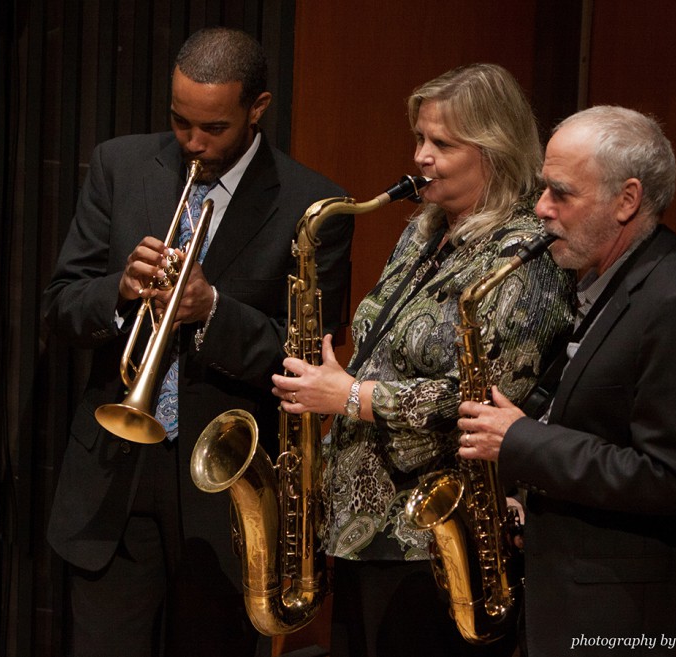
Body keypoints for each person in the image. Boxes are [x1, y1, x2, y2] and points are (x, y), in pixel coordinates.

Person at [42, 27, 353, 657]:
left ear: (257, 109)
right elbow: (61, 305)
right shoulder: (120, 165)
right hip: (114, 470)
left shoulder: (313, 204)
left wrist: (211, 309)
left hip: (222, 483)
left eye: (212, 128)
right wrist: (120, 290)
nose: (192, 143)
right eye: (181, 122)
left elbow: (302, 358)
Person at [271, 63, 575, 657]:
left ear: (495, 150)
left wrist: (351, 398)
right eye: (419, 139)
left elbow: (483, 399)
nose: (421, 157)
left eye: (442, 143)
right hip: (362, 520)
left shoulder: (527, 256)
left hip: (435, 534)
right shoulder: (423, 229)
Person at [456, 105, 676, 656]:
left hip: (628, 619)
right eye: (542, 190)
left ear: (627, 200)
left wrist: (522, 442)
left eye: (562, 194)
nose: (541, 209)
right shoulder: (608, 279)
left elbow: (669, 478)